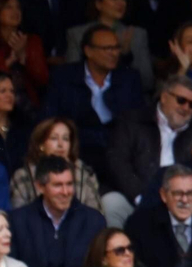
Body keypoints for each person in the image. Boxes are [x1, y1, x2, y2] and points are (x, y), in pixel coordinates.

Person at [6, 156, 105, 267]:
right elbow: (7, 265)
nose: (65, 192)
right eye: (58, 185)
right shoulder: (18, 220)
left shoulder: (93, 221)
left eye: (69, 184)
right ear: (40, 186)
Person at [40, 26, 145, 175]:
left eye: (116, 48)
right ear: (88, 51)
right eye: (107, 49)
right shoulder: (64, 76)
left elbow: (138, 121)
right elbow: (49, 117)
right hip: (76, 150)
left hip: (118, 153)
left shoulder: (129, 78)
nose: (114, 53)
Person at [103, 75, 192, 225]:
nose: (186, 108)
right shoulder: (133, 120)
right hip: (136, 199)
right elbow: (118, 163)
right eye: (181, 100)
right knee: (111, 203)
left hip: (179, 204)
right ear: (164, 97)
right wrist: (141, 197)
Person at [66, 0, 154, 91]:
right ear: (98, 4)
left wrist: (126, 55)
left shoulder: (137, 35)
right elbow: (70, 76)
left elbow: (147, 82)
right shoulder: (77, 34)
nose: (121, 3)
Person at [9, 118, 101, 211]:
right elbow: (19, 215)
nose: (60, 144)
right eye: (54, 138)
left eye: (65, 139)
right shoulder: (23, 176)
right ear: (41, 145)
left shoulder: (84, 173)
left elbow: (96, 214)